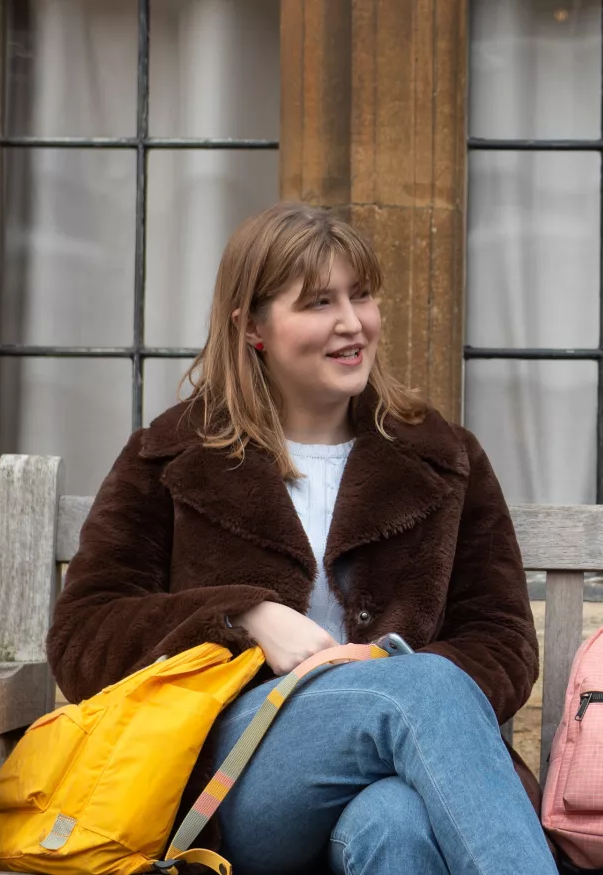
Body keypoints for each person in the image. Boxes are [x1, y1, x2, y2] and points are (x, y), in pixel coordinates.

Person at [45, 202, 556, 875]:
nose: (352, 323)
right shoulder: (172, 457)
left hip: (397, 764)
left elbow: (504, 641)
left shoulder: (443, 457)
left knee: (395, 825)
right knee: (422, 686)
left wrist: (377, 667)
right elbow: (83, 636)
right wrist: (244, 616)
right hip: (229, 783)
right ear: (251, 326)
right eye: (318, 302)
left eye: (362, 295)